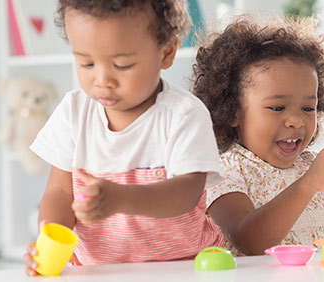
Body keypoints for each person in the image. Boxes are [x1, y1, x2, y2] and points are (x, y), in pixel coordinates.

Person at [23, 0, 225, 276]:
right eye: (86, 62)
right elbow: (59, 191)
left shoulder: (184, 115)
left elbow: (187, 193)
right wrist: (51, 239)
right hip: (97, 270)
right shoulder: (73, 112)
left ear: (166, 53)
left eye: (122, 64)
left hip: (183, 266)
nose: (102, 79)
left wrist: (119, 198)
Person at [192, 15, 324, 256]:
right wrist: (309, 184)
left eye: (308, 108)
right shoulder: (225, 171)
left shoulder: (310, 165)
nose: (296, 120)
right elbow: (249, 240)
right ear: (233, 112)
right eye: (277, 108)